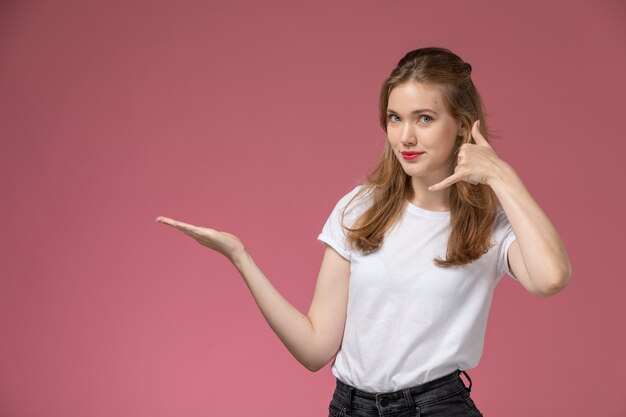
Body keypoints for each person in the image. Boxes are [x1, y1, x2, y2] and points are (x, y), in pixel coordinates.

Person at [156, 47, 571, 417]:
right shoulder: (360, 207)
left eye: (424, 118)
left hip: (436, 407)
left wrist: (502, 176)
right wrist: (239, 256)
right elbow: (316, 349)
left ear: (463, 126)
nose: (405, 136)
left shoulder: (490, 225)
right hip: (348, 407)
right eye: (395, 118)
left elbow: (551, 278)